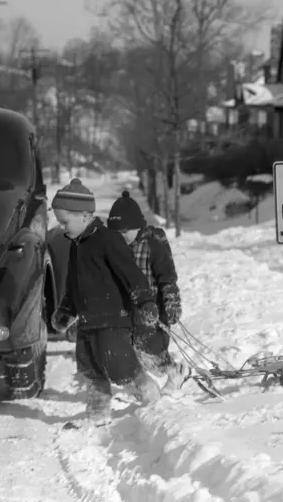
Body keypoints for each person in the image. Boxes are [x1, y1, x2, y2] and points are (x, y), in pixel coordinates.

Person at [50, 178, 162, 428]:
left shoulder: (108, 239)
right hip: (88, 322)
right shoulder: (76, 247)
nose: (62, 226)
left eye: (64, 221)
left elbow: (130, 273)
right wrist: (67, 310)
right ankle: (97, 414)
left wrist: (145, 300)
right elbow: (72, 285)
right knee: (90, 368)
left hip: (112, 318)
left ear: (85, 215)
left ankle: (151, 398)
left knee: (119, 364)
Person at [107, 190, 192, 393]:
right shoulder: (114, 249)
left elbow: (168, 278)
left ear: (138, 226)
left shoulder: (152, 246)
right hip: (124, 312)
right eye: (116, 233)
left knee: (151, 351)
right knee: (126, 351)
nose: (121, 237)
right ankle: (139, 386)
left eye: (125, 232)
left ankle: (176, 372)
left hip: (152, 312)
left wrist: (171, 302)